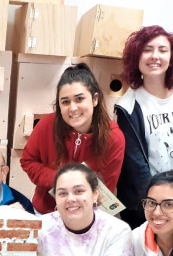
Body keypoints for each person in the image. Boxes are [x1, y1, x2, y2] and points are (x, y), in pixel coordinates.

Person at [114, 25, 173, 228]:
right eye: (147, 50)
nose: (155, 56)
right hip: (145, 206)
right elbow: (136, 166)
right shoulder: (127, 107)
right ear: (136, 57)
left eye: (162, 50)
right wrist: (159, 207)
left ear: (171, 57)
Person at [20, 63, 125, 214]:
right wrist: (58, 179)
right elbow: (27, 161)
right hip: (45, 211)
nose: (73, 108)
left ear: (95, 99)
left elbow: (106, 185)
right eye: (65, 102)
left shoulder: (113, 137)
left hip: (85, 215)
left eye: (79, 99)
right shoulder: (46, 124)